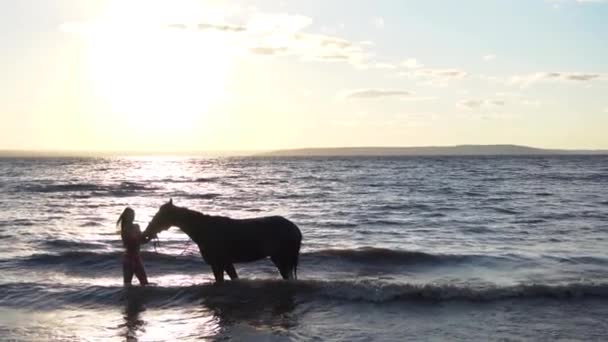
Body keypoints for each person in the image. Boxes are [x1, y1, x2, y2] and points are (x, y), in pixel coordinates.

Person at [117, 207, 149, 286]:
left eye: (133, 215)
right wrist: (142, 236)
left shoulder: (136, 226)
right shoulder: (124, 230)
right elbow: (134, 241)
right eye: (131, 215)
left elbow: (142, 241)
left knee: (144, 282)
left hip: (137, 258)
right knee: (127, 284)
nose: (133, 217)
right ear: (126, 217)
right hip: (128, 260)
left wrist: (150, 237)